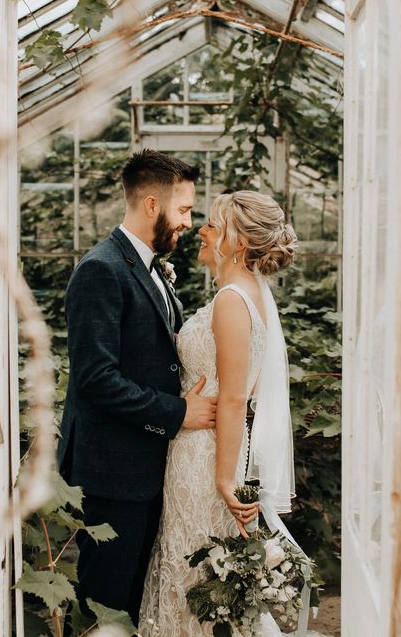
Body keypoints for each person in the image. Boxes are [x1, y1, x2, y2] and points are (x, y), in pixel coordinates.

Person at [57, 150, 218, 628]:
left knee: (129, 606)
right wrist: (176, 413)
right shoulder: (101, 270)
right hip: (112, 473)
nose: (189, 223)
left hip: (142, 468)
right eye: (184, 210)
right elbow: (95, 378)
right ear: (152, 205)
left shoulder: (150, 268)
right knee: (103, 608)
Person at [140, 190, 299, 636]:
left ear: (239, 242)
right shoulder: (240, 294)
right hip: (202, 444)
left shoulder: (232, 300)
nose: (203, 232)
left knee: (195, 571)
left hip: (207, 454)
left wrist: (224, 481)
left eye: (212, 224)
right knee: (198, 569)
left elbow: (232, 398)